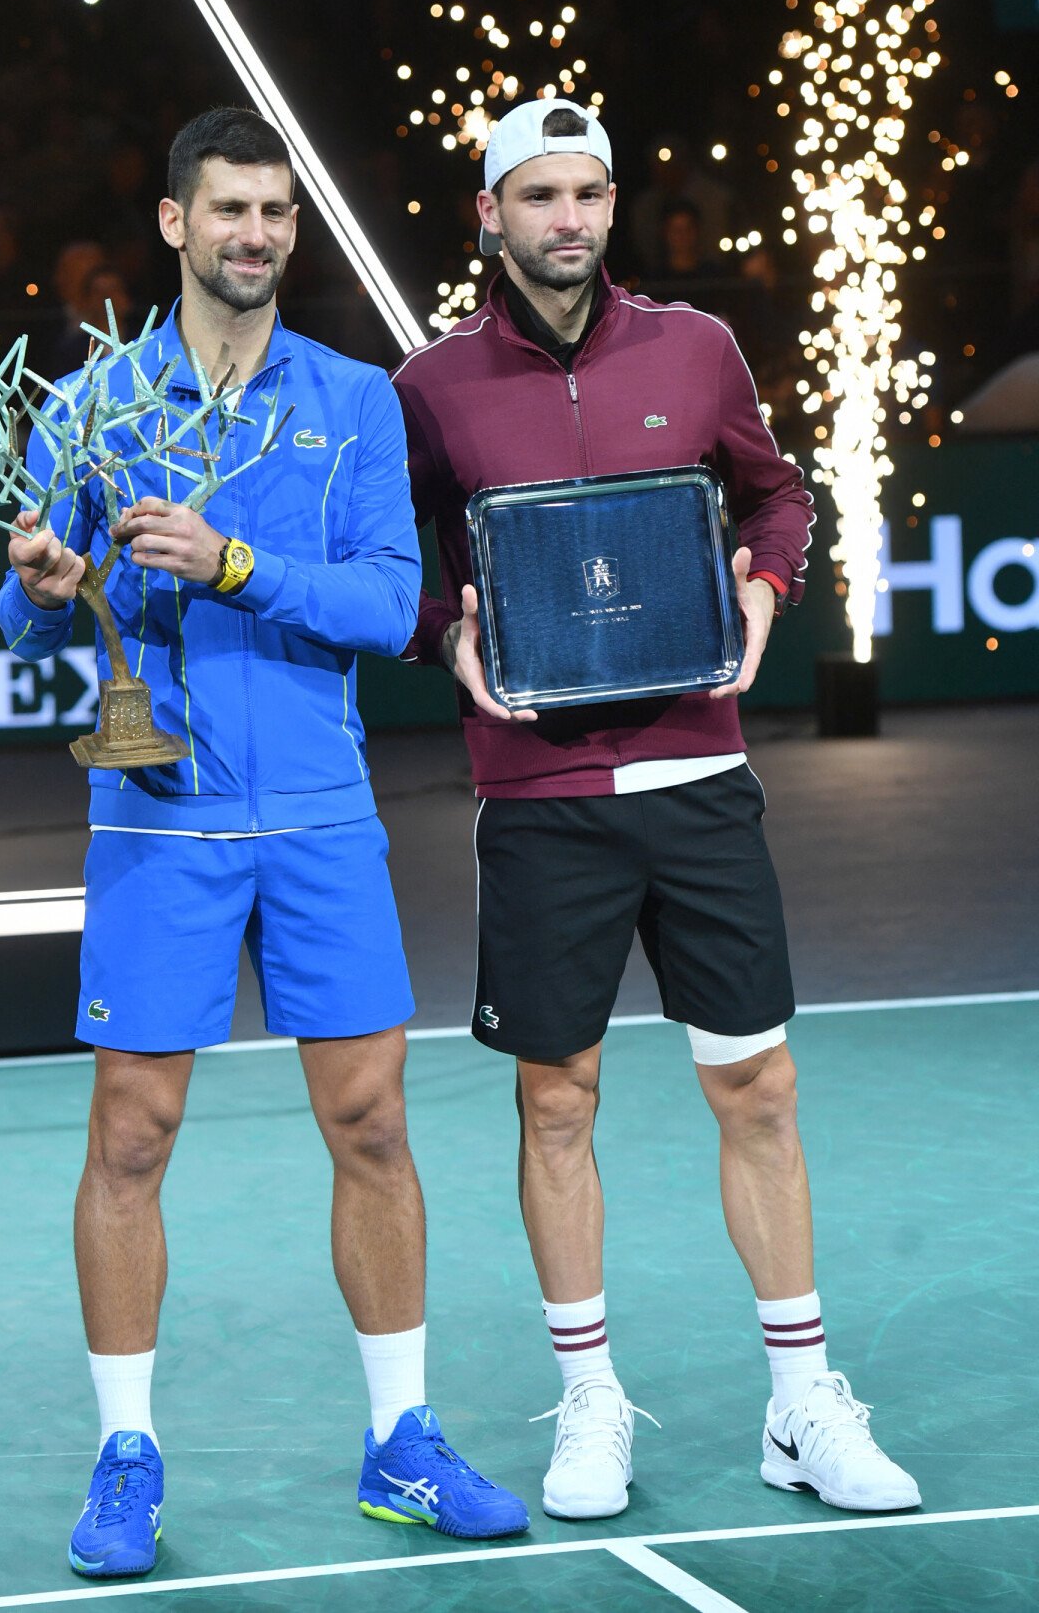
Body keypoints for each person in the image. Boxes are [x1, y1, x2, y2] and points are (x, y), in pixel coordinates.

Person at [0, 106, 528, 1579]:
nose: (256, 234)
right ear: (174, 223)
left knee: (372, 1124)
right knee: (132, 1136)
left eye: (276, 213)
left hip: (319, 816)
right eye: (228, 209)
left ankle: (402, 1439)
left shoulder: (355, 399)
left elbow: (384, 605)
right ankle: (125, 1454)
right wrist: (47, 581)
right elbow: (20, 612)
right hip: (154, 818)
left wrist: (238, 562)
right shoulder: (95, 404)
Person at [391, 98, 920, 1522]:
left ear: (612, 206)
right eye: (540, 197)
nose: (568, 220)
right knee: (555, 1099)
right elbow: (409, 565)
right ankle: (588, 1399)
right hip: (540, 797)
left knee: (757, 1083)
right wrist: (451, 639)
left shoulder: (698, 349)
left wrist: (759, 590)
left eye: (590, 194)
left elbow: (776, 496)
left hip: (698, 775)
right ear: (490, 217)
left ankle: (802, 1401)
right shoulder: (428, 386)